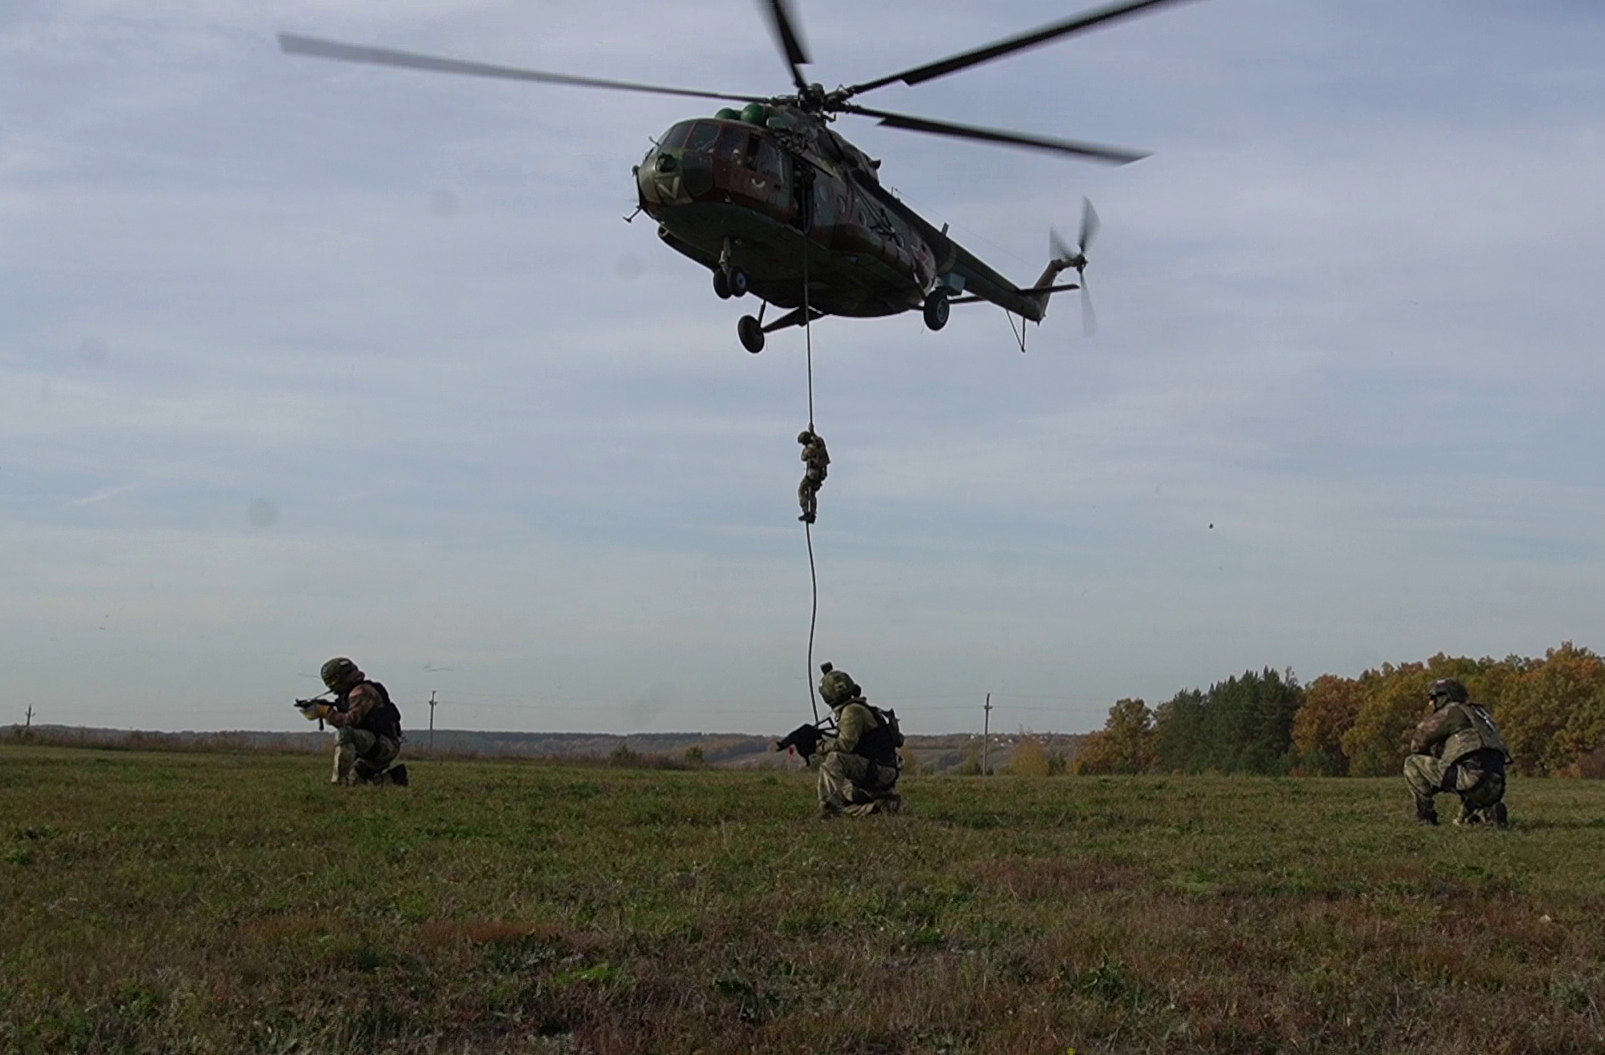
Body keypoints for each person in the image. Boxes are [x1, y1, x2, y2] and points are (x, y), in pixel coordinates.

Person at [1403, 678, 1509, 826]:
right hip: (1497, 783)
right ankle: (1489, 812)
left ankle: (1426, 815)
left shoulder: (1451, 711)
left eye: (1432, 698)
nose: (1430, 703)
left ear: (1444, 697)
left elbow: (1418, 741)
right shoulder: (1481, 714)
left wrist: (1430, 757)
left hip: (1470, 778)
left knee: (1412, 763)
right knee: (1461, 821)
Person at [298, 657, 408, 786]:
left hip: (384, 745)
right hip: (374, 744)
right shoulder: (352, 692)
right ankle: (395, 778)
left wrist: (326, 712)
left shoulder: (361, 692)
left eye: (331, 681)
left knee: (344, 734)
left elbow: (349, 722)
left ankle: (337, 784)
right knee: (354, 784)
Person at [814, 662, 903, 817]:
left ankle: (829, 811)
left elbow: (845, 745)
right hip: (884, 769)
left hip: (878, 771)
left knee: (834, 759)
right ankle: (879, 805)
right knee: (845, 798)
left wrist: (820, 747)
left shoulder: (851, 711)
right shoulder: (860, 707)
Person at [797, 429, 830, 524]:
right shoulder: (819, 442)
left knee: (802, 489)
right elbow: (820, 442)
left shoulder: (810, 448)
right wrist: (813, 433)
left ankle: (806, 511)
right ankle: (812, 513)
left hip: (813, 473)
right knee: (812, 493)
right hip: (821, 473)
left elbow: (803, 457)